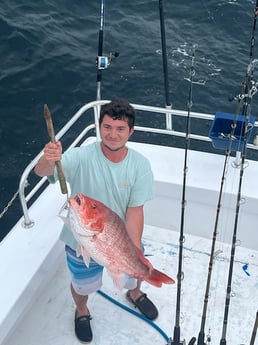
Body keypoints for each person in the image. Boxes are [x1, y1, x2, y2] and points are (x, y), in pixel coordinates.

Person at [34, 98, 158, 343]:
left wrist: (136, 253)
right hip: (81, 238)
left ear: (131, 131)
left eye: (120, 128)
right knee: (82, 286)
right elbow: (42, 172)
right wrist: (49, 158)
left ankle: (135, 293)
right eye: (107, 127)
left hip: (121, 237)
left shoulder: (140, 166)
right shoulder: (81, 156)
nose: (113, 134)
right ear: (99, 127)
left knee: (136, 271)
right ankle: (82, 310)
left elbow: (135, 212)